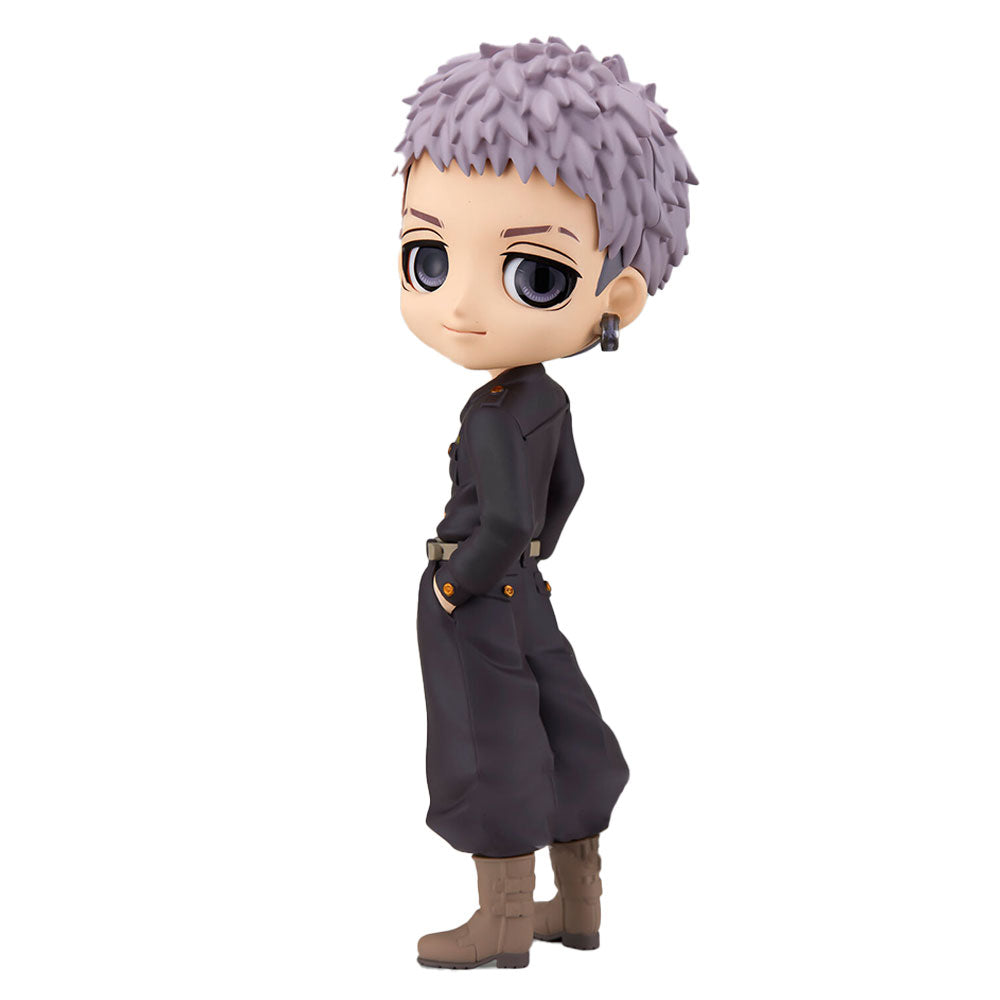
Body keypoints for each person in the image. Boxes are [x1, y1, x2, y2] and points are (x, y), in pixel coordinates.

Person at [396, 37, 696, 970]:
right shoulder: (546, 399)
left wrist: (462, 583)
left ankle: (503, 921)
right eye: (429, 258)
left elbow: (501, 519)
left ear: (619, 297)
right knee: (564, 724)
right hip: (524, 589)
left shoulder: (494, 410)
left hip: (481, 588)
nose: (460, 306)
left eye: (535, 276)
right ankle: (579, 905)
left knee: (485, 738)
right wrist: (534, 561)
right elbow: (566, 490)